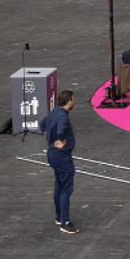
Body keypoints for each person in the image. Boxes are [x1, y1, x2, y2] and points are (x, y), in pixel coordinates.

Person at [38, 90, 79, 234]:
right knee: (66, 189)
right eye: (73, 99)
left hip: (52, 154)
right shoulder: (63, 116)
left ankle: (59, 216)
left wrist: (50, 137)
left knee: (59, 185)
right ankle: (65, 222)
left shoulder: (54, 112)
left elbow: (42, 125)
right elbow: (61, 131)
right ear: (69, 101)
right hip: (62, 156)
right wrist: (62, 140)